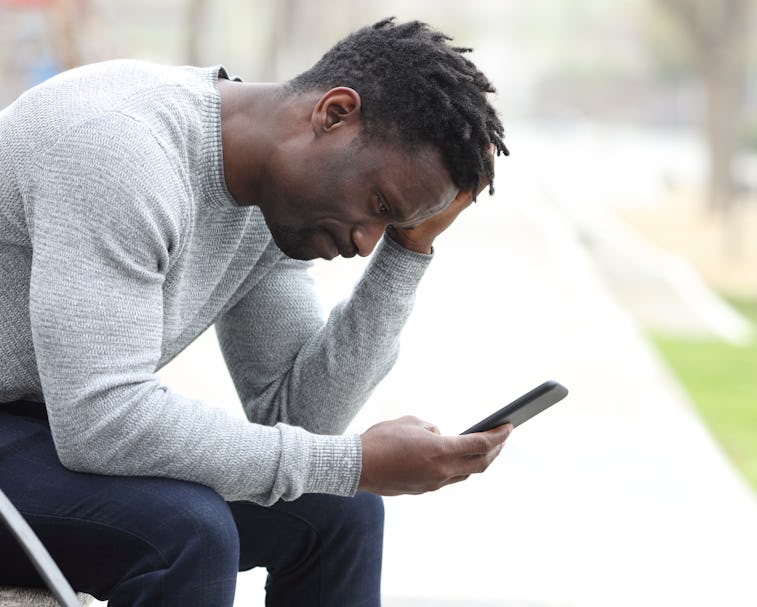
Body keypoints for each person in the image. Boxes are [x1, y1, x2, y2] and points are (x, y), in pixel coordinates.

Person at [0, 17, 511, 607]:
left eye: (388, 226)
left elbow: (295, 416)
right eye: (377, 206)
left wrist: (407, 252)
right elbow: (104, 422)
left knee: (342, 514)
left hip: (43, 429)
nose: (364, 242)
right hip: (50, 426)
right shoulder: (122, 150)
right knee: (188, 531)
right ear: (334, 114)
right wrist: (353, 460)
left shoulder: (269, 201)